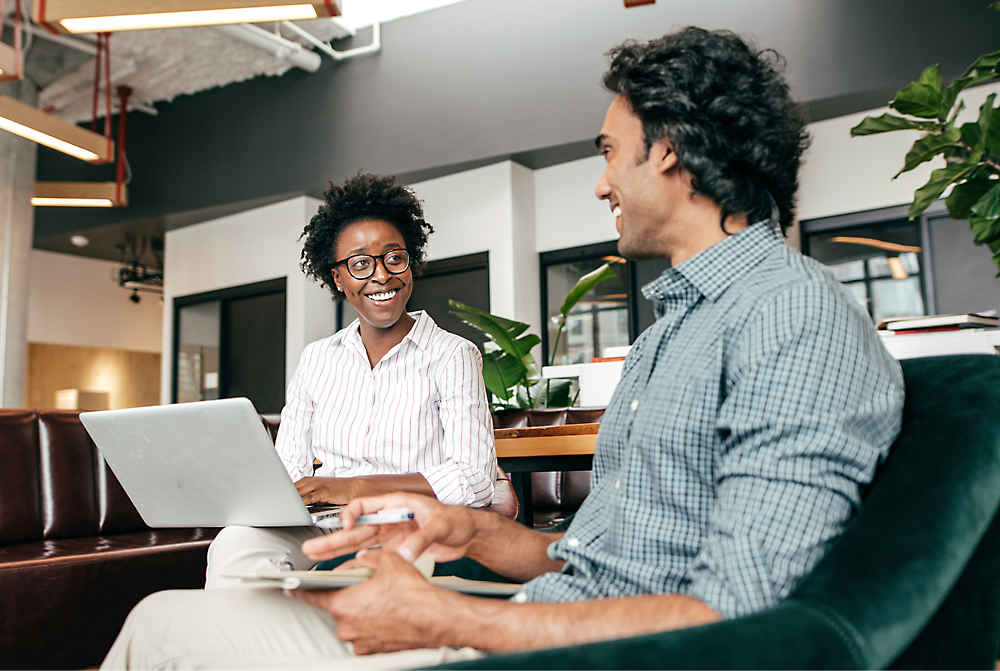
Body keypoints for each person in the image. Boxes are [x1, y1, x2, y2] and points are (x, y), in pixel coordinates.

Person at [101, 27, 904, 669]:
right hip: (530, 622)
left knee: (161, 627)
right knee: (181, 610)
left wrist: (451, 615)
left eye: (605, 151)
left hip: (541, 648)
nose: (601, 183)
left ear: (668, 151)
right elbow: (600, 556)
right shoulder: (678, 329)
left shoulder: (791, 317)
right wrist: (470, 532)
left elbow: (738, 615)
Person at [204, 173, 497, 588]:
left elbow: (474, 478)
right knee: (235, 547)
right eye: (360, 264)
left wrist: (355, 488)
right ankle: (249, 648)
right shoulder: (318, 358)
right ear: (338, 278)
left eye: (394, 257)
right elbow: (289, 467)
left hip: (408, 524)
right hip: (323, 523)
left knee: (349, 571)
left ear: (410, 261)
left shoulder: (453, 354)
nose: (381, 276)